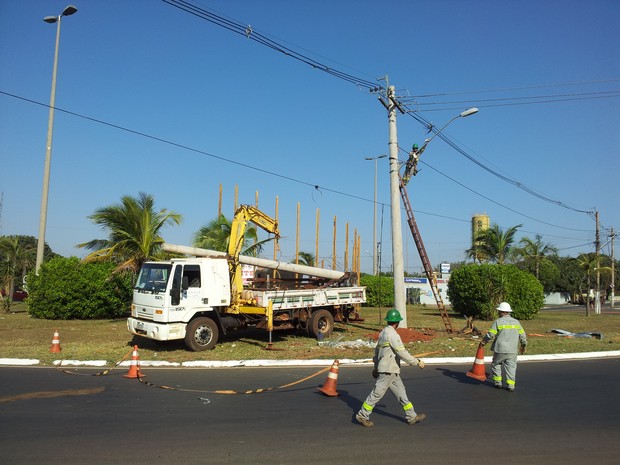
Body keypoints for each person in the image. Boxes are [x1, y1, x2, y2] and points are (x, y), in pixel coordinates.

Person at [355, 309, 426, 427]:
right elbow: (401, 352)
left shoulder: (383, 333)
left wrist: (376, 367)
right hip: (388, 370)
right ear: (397, 322)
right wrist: (416, 362)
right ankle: (362, 415)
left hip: (391, 370)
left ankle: (411, 416)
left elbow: (377, 351)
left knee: (402, 394)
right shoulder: (392, 334)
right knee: (376, 394)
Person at [479, 301, 527, 392]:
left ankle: (498, 382)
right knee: (511, 367)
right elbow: (523, 335)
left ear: (501, 312)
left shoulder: (498, 322)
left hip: (500, 349)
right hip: (512, 350)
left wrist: (484, 341)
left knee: (496, 364)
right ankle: (511, 385)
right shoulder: (516, 322)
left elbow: (490, 334)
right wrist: (523, 345)